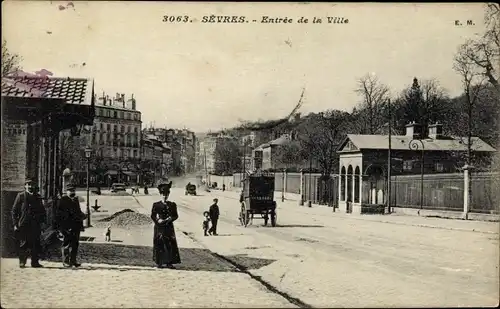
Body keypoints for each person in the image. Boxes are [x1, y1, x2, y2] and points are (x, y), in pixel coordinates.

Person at [11, 178, 46, 268]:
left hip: (35, 224)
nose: (30, 186)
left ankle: (35, 262)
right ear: (25, 186)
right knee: (24, 243)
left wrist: (42, 223)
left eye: (32, 185)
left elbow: (42, 211)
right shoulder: (21, 196)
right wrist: (15, 224)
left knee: (35, 243)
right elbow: (14, 211)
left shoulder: (37, 197)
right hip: (24, 224)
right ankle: (22, 262)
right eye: (28, 184)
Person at [151, 180, 181, 268]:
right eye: (163, 194)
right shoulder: (156, 205)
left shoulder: (172, 205)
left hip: (168, 227)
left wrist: (170, 219)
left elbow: (176, 216)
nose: (165, 196)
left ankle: (169, 262)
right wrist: (158, 220)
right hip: (159, 227)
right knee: (159, 243)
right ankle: (159, 262)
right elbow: (152, 216)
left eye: (166, 194)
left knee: (169, 243)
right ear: (160, 195)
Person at [54, 185, 86, 267]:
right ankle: (66, 261)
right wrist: (61, 227)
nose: (72, 192)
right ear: (66, 191)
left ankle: (73, 261)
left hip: (76, 226)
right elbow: (59, 215)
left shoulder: (75, 200)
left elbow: (78, 212)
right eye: (70, 191)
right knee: (67, 244)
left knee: (75, 244)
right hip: (67, 226)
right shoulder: (62, 200)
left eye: (73, 191)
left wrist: (83, 215)